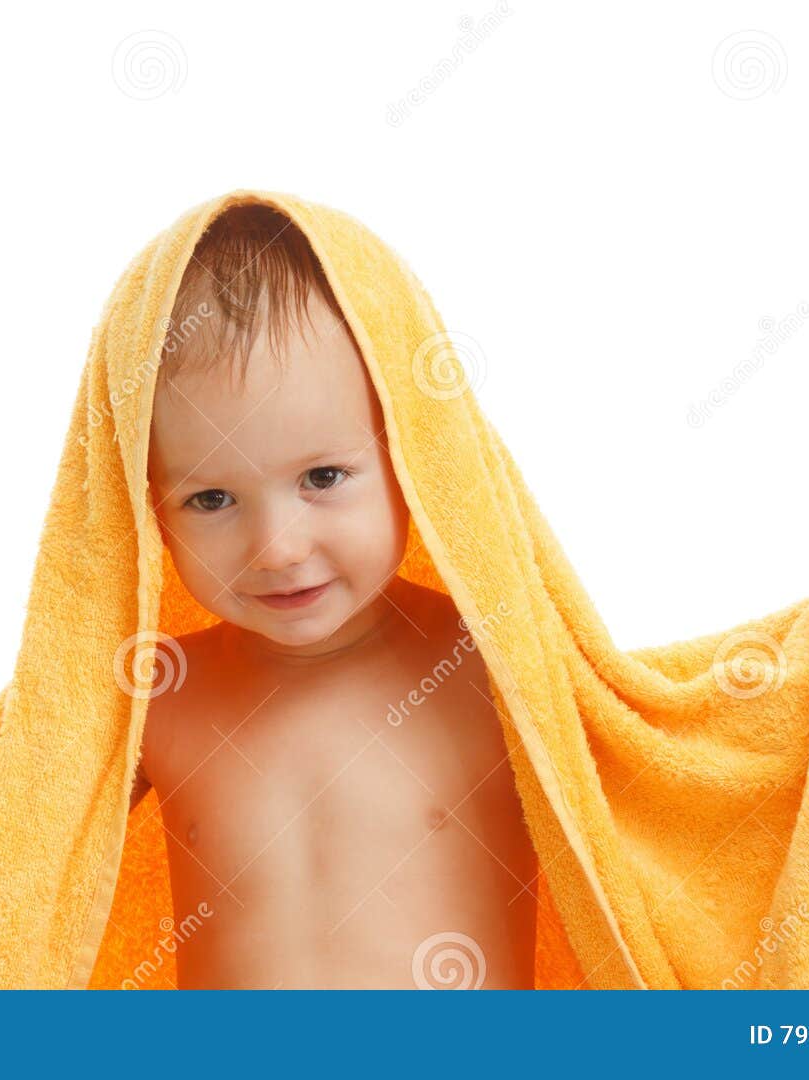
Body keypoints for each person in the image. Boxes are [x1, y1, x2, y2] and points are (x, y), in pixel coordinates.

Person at [132, 205, 537, 989]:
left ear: (415, 452)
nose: (276, 548)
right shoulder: (153, 697)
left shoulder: (492, 661)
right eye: (211, 499)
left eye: (322, 478)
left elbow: (653, 789)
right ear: (143, 505)